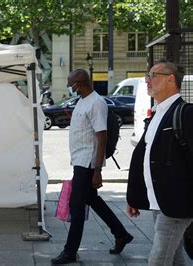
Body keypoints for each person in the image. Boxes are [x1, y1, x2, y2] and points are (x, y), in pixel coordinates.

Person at [52, 69, 133, 264]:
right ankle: (121, 234)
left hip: (87, 163)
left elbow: (102, 136)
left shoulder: (96, 103)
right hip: (80, 160)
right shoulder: (82, 101)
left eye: (70, 84)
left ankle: (70, 251)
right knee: (92, 200)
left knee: (76, 206)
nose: (70, 88)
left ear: (78, 84)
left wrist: (98, 170)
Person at [126, 61, 193, 265]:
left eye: (153, 75)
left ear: (171, 79)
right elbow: (145, 156)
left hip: (177, 202)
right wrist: (135, 196)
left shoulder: (186, 113)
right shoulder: (157, 113)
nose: (147, 80)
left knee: (158, 259)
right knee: (174, 258)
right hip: (158, 202)